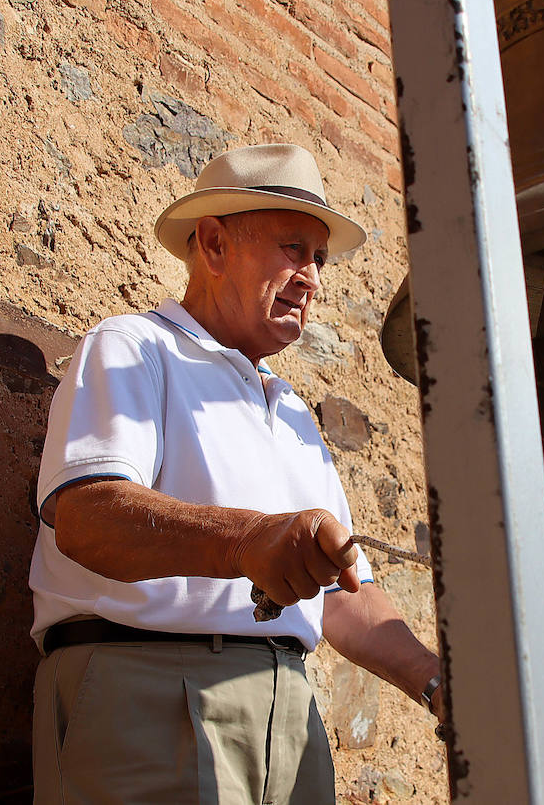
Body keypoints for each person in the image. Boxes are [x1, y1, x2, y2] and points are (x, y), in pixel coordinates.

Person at [28, 143, 444, 803]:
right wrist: (246, 541)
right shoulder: (135, 347)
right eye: (293, 249)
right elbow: (86, 517)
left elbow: (341, 593)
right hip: (151, 695)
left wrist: (435, 679)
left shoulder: (297, 413)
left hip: (287, 716)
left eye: (319, 258)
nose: (313, 278)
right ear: (215, 244)